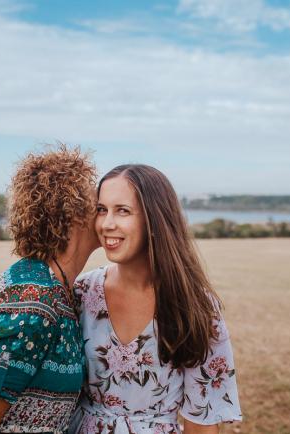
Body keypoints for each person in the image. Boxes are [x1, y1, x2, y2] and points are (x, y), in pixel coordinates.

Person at [69, 164, 242, 434]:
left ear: (154, 218)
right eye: (101, 210)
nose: (107, 223)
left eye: (122, 210)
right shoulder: (81, 292)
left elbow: (202, 422)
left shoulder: (195, 306)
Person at [0, 146, 100, 434]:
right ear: (75, 214)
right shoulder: (31, 305)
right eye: (98, 205)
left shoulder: (58, 288)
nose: (106, 214)